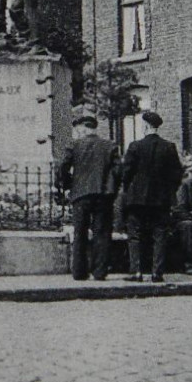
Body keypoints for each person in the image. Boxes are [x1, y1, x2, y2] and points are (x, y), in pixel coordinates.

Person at [119, 110, 184, 283]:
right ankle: (157, 273)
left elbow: (126, 174)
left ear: (146, 126)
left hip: (137, 200)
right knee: (160, 234)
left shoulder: (135, 146)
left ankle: (136, 271)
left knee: (135, 235)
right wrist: (168, 191)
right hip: (161, 200)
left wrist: (130, 190)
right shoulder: (169, 147)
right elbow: (177, 174)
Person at [57, 112, 121, 281]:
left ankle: (79, 272)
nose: (78, 133)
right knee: (102, 233)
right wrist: (111, 190)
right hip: (103, 195)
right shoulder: (110, 145)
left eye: (79, 129)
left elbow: (63, 168)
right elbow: (118, 171)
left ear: (83, 129)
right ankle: (100, 272)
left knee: (80, 233)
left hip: (80, 195)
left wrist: (67, 186)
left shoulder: (74, 146)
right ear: (94, 128)